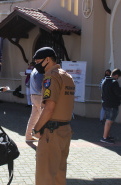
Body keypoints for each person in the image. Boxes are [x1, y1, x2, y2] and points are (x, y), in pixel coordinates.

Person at [32, 47, 75, 185]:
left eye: (38, 61)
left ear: (48, 60)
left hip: (52, 133)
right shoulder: (67, 76)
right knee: (59, 175)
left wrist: (36, 128)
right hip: (65, 130)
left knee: (45, 176)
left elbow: (49, 107)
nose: (36, 65)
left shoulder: (51, 77)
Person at [100, 68, 121, 144]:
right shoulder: (114, 82)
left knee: (108, 121)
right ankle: (105, 137)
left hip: (105, 104)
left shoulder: (104, 81)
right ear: (116, 75)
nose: (118, 78)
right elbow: (118, 93)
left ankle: (107, 136)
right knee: (109, 121)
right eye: (118, 76)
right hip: (112, 104)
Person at [25, 61, 44, 142]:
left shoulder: (34, 70)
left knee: (34, 117)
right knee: (42, 117)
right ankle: (40, 136)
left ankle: (28, 135)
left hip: (34, 95)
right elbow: (39, 87)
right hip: (39, 96)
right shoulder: (39, 72)